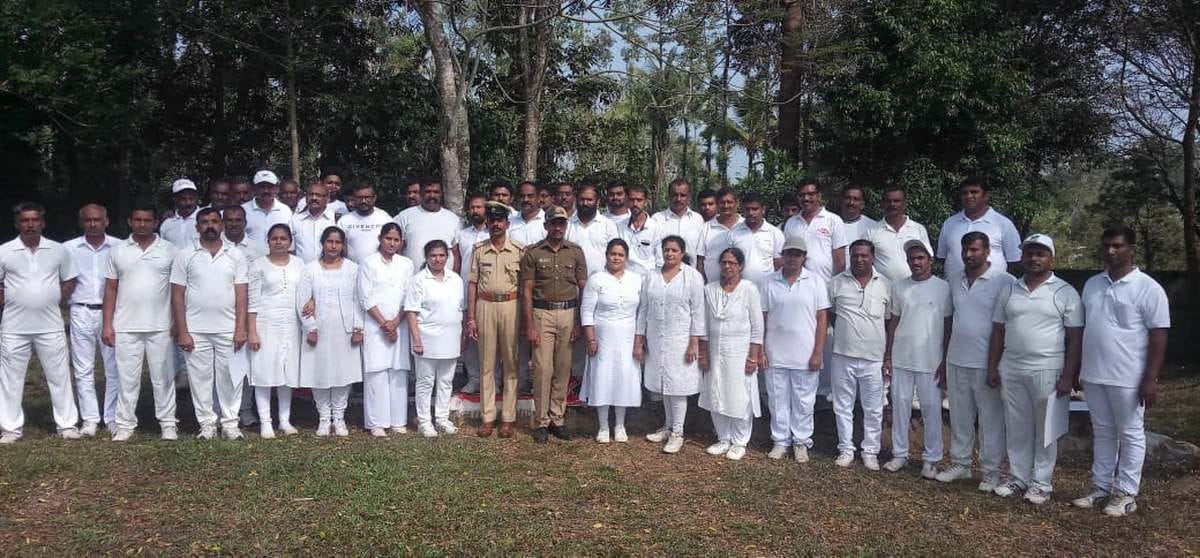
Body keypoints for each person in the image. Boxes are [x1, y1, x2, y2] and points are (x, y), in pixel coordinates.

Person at [1070, 226, 1169, 517]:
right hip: (1095, 373)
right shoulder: (1092, 284)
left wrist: (1150, 378)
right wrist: (1077, 369)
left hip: (1128, 376)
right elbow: (1086, 329)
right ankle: (1100, 488)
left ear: (1131, 249)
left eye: (1117, 246)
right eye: (1106, 246)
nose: (1111, 251)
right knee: (1102, 432)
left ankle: (1126, 493)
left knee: (1130, 432)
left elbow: (1159, 334)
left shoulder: (1147, 288)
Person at [986, 234, 1083, 504]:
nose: (1034, 259)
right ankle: (1018, 478)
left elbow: (1075, 338)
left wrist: (1068, 376)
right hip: (1012, 366)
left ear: (1051, 258)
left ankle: (1041, 483)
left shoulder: (1065, 292)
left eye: (1040, 254)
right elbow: (997, 331)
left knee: (1046, 428)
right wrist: (993, 367)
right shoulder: (1009, 289)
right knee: (1017, 426)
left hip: (1047, 367)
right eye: (1029, 253)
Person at [935, 231, 1013, 490]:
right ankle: (960, 464)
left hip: (986, 363)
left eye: (975, 250)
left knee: (990, 420)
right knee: (960, 416)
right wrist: (945, 360)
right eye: (965, 250)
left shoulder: (1004, 281)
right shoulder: (955, 280)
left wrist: (996, 364)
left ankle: (991, 471)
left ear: (988, 251)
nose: (969, 255)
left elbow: (1007, 327)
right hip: (957, 359)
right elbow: (950, 322)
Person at [0, 202, 81, 443]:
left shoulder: (58, 250)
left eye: (35, 220)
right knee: (10, 379)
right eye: (25, 220)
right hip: (14, 327)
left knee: (59, 376)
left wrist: (51, 299)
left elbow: (69, 281)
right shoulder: (4, 251)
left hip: (50, 325)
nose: (30, 224)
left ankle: (67, 425)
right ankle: (10, 428)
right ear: (17, 224)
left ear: (42, 223)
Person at [170, 207, 249, 440]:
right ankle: (206, 424)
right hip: (196, 329)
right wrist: (183, 331)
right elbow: (177, 295)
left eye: (214, 221)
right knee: (200, 379)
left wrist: (240, 328)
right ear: (197, 227)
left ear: (221, 225)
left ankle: (230, 423)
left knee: (229, 378)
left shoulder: (235, 255)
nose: (210, 226)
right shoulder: (185, 255)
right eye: (204, 222)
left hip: (228, 328)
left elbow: (242, 294)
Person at [101, 204, 179, 441]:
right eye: (138, 219)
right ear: (129, 221)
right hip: (125, 325)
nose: (142, 224)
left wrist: (177, 322)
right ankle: (125, 424)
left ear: (156, 223)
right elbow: (111, 290)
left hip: (161, 325)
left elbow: (177, 290)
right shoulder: (117, 251)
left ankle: (168, 424)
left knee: (163, 377)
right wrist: (107, 324)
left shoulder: (170, 250)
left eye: (147, 220)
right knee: (127, 377)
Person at [882, 240, 951, 478]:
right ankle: (899, 454)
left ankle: (931, 459)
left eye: (920, 258)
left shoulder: (943, 288)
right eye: (912, 259)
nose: (916, 263)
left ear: (930, 260)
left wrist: (945, 359)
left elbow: (948, 325)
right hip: (902, 358)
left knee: (931, 409)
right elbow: (893, 322)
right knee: (899, 408)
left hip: (931, 360)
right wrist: (888, 356)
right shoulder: (899, 287)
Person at [521, 206, 588, 443]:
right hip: (542, 313)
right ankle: (540, 421)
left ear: (566, 225)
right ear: (546, 225)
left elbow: (584, 290)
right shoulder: (533, 253)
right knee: (542, 369)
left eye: (562, 223)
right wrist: (529, 325)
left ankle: (557, 419)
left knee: (562, 369)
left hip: (569, 314)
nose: (558, 227)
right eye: (554, 223)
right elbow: (527, 293)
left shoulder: (576, 253)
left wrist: (581, 322)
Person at [759, 237, 829, 462]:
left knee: (804, 400)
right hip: (775, 352)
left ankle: (801, 442)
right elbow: (762, 318)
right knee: (777, 399)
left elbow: (821, 319)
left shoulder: (816, 281)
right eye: (788, 253)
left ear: (804, 257)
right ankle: (780, 441)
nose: (792, 258)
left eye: (797, 254)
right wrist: (760, 350)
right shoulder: (769, 282)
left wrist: (818, 352)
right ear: (782, 255)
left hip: (805, 354)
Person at [636, 235, 705, 454]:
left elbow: (698, 311)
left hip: (680, 339)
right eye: (666, 250)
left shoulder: (692, 277)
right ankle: (667, 426)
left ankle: (678, 432)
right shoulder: (652, 276)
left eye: (674, 250)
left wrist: (695, 342)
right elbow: (644, 309)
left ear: (682, 253)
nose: (669, 254)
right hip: (656, 337)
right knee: (664, 384)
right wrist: (640, 337)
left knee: (678, 386)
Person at [829, 239, 891, 469]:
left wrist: (888, 357)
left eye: (864, 255)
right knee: (842, 406)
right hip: (842, 355)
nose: (859, 259)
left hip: (874, 358)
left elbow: (889, 323)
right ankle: (845, 449)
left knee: (873, 408)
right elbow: (832, 316)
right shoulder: (836, 283)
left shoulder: (886, 285)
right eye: (855, 255)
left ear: (873, 257)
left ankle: (870, 451)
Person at [698, 247, 764, 461]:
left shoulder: (749, 289)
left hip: (740, 352)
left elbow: (757, 327)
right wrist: (704, 353)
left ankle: (739, 441)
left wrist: (753, 356)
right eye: (724, 262)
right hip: (716, 351)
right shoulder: (710, 289)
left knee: (739, 395)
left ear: (741, 266)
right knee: (717, 392)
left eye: (732, 263)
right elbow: (704, 326)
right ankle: (723, 438)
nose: (727, 266)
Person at [299, 226, 364, 436]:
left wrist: (358, 328)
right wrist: (311, 327)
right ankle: (324, 418)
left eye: (338, 242)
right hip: (319, 329)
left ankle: (339, 417)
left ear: (343, 245)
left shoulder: (353, 269)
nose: (333, 246)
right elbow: (302, 300)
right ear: (323, 243)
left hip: (344, 330)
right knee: (319, 372)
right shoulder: (310, 269)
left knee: (342, 373)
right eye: (330, 242)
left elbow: (358, 300)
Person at [468, 202, 525, 437]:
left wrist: (525, 318)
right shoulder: (479, 249)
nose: (496, 224)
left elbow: (525, 286)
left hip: (512, 305)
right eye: (492, 221)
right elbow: (472, 284)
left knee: (511, 364)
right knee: (487, 364)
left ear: (508, 224)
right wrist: (471, 317)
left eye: (500, 220)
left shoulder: (520, 250)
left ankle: (508, 418)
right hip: (485, 305)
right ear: (488, 223)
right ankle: (488, 417)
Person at [580, 239, 643, 443]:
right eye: (612, 254)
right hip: (603, 336)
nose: (616, 258)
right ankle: (604, 426)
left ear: (626, 258)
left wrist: (638, 341)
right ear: (606, 255)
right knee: (603, 378)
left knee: (623, 378)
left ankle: (620, 424)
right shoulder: (597, 279)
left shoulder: (636, 279)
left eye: (620, 255)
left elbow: (642, 312)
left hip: (628, 336)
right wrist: (591, 340)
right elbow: (587, 311)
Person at [356, 223, 414, 437]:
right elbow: (365, 296)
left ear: (401, 242)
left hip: (400, 323)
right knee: (377, 372)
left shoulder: (406, 264)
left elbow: (409, 295)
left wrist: (396, 321)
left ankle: (398, 420)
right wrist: (384, 324)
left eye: (396, 240)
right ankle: (376, 422)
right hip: (374, 324)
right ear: (380, 238)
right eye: (388, 238)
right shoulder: (368, 263)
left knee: (398, 370)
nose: (392, 243)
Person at [246, 224, 304, 438]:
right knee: (264, 372)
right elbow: (252, 301)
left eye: (283, 238)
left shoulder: (299, 264)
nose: (279, 242)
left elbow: (306, 293)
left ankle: (284, 420)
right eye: (274, 238)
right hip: (266, 323)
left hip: (291, 324)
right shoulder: (258, 265)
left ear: (290, 242)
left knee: (286, 373)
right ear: (268, 241)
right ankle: (265, 422)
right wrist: (252, 331)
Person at [67, 204, 119, 436]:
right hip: (81, 310)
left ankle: (112, 417)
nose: (93, 224)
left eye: (97, 220)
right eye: (88, 220)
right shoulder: (68, 248)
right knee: (83, 368)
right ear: (81, 222)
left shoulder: (119, 247)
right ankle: (89, 419)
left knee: (114, 368)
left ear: (106, 221)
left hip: (112, 313)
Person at [406, 240, 465, 438]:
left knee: (446, 381)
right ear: (426, 257)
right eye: (433, 255)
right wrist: (417, 340)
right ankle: (424, 421)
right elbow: (412, 313)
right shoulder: (419, 280)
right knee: (425, 382)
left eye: (441, 255)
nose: (437, 259)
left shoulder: (455, 279)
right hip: (426, 340)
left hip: (450, 339)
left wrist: (462, 336)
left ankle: (441, 418)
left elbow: (460, 309)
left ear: (447, 257)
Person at [222, 206, 266, 426]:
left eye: (238, 219)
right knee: (222, 366)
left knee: (247, 364)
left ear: (245, 221)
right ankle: (221, 410)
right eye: (229, 219)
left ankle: (245, 410)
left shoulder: (257, 248)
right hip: (222, 312)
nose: (233, 223)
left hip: (250, 312)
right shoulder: (216, 247)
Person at [936, 176, 1021, 279]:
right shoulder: (950, 223)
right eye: (964, 193)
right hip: (955, 289)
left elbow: (1015, 262)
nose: (969, 196)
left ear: (986, 196)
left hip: (993, 290)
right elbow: (942, 258)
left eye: (974, 192)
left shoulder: (1003, 224)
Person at [453, 194, 490, 394]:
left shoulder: (494, 232)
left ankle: (493, 378)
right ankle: (474, 377)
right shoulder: (463, 234)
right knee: (469, 335)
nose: (476, 211)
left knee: (490, 336)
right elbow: (458, 264)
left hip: (487, 292)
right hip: (466, 290)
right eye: (473, 207)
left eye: (480, 207)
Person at [783, 178, 847, 282]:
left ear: (819, 195)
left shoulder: (833, 220)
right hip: (797, 285)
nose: (806, 198)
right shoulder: (791, 223)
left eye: (811, 194)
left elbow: (840, 260)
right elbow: (786, 255)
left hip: (826, 284)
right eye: (801, 195)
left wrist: (835, 287)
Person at [865, 187, 930, 282]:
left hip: (913, 288)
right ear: (882, 204)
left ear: (904, 204)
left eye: (897, 201)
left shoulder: (918, 229)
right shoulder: (871, 232)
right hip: (883, 290)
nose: (892, 204)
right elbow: (866, 262)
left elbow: (928, 259)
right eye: (888, 201)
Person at [394, 179, 460, 269]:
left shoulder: (453, 219)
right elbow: (396, 249)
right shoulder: (405, 216)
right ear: (421, 193)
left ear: (441, 194)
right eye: (427, 192)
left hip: (445, 281)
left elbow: (456, 254)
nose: (432, 195)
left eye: (436, 192)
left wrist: (455, 277)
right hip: (412, 279)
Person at [730, 192, 784, 287]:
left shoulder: (775, 233)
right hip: (741, 289)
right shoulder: (734, 232)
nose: (751, 213)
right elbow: (730, 262)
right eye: (747, 209)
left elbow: (779, 264)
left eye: (755, 209)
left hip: (768, 288)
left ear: (763, 209)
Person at [566, 183, 619, 276]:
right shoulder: (567, 225)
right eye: (582, 199)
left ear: (597, 202)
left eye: (589, 200)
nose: (585, 203)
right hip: (572, 283)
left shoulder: (608, 225)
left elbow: (615, 255)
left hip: (602, 281)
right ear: (576, 200)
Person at [649, 179, 705, 264]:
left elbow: (701, 251)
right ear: (669, 196)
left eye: (683, 195)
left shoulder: (698, 219)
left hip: (691, 273)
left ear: (689, 197)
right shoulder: (657, 219)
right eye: (675, 195)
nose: (678, 199)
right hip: (663, 273)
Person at [696, 188, 744, 282]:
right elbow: (700, 261)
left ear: (737, 203)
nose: (725, 206)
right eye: (722, 202)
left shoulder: (745, 226)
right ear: (717, 204)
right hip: (713, 288)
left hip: (741, 289)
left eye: (729, 202)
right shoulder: (706, 228)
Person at [337, 182, 393, 263]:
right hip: (353, 271)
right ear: (355, 198)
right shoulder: (344, 221)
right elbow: (340, 249)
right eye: (359, 197)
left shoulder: (385, 219)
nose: (363, 201)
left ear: (374, 198)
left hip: (379, 271)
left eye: (367, 197)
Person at [242, 170, 294, 246]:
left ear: (276, 188)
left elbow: (290, 241)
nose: (266, 190)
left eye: (270, 187)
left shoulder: (285, 211)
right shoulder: (243, 211)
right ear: (254, 188)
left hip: (277, 257)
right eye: (262, 187)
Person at [617, 185, 661, 276]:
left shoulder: (656, 228)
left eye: (639, 200)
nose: (635, 204)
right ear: (627, 201)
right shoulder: (619, 227)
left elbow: (660, 259)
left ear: (646, 202)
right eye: (631, 200)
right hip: (625, 280)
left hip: (649, 279)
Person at [291, 183, 335, 262]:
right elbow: (291, 249)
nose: (314, 198)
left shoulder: (335, 219)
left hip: (329, 270)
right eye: (310, 195)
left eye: (318, 195)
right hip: (302, 270)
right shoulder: (295, 220)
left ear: (327, 198)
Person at [160, 179, 201, 247]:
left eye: (191, 198)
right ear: (175, 200)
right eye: (183, 199)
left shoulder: (206, 219)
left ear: (196, 198)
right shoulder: (167, 223)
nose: (188, 203)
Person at [839, 185, 877, 254]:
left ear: (862, 204)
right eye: (848, 198)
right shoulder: (830, 223)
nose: (851, 202)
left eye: (856, 199)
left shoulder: (873, 227)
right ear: (841, 201)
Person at [510, 181, 547, 247]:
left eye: (530, 196)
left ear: (539, 198)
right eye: (522, 196)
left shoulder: (547, 220)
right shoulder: (511, 221)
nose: (525, 200)